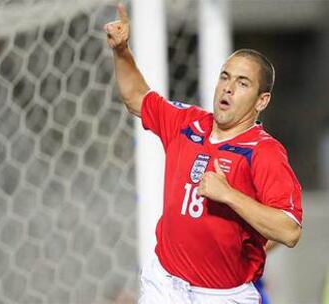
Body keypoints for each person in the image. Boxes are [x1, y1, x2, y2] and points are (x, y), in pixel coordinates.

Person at [104, 4, 303, 304]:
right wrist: (121, 52)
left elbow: (289, 230)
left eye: (242, 83)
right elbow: (136, 97)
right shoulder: (187, 122)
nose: (228, 88)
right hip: (166, 285)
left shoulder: (265, 152)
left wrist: (229, 195)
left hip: (223, 296)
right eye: (225, 77)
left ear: (262, 101)